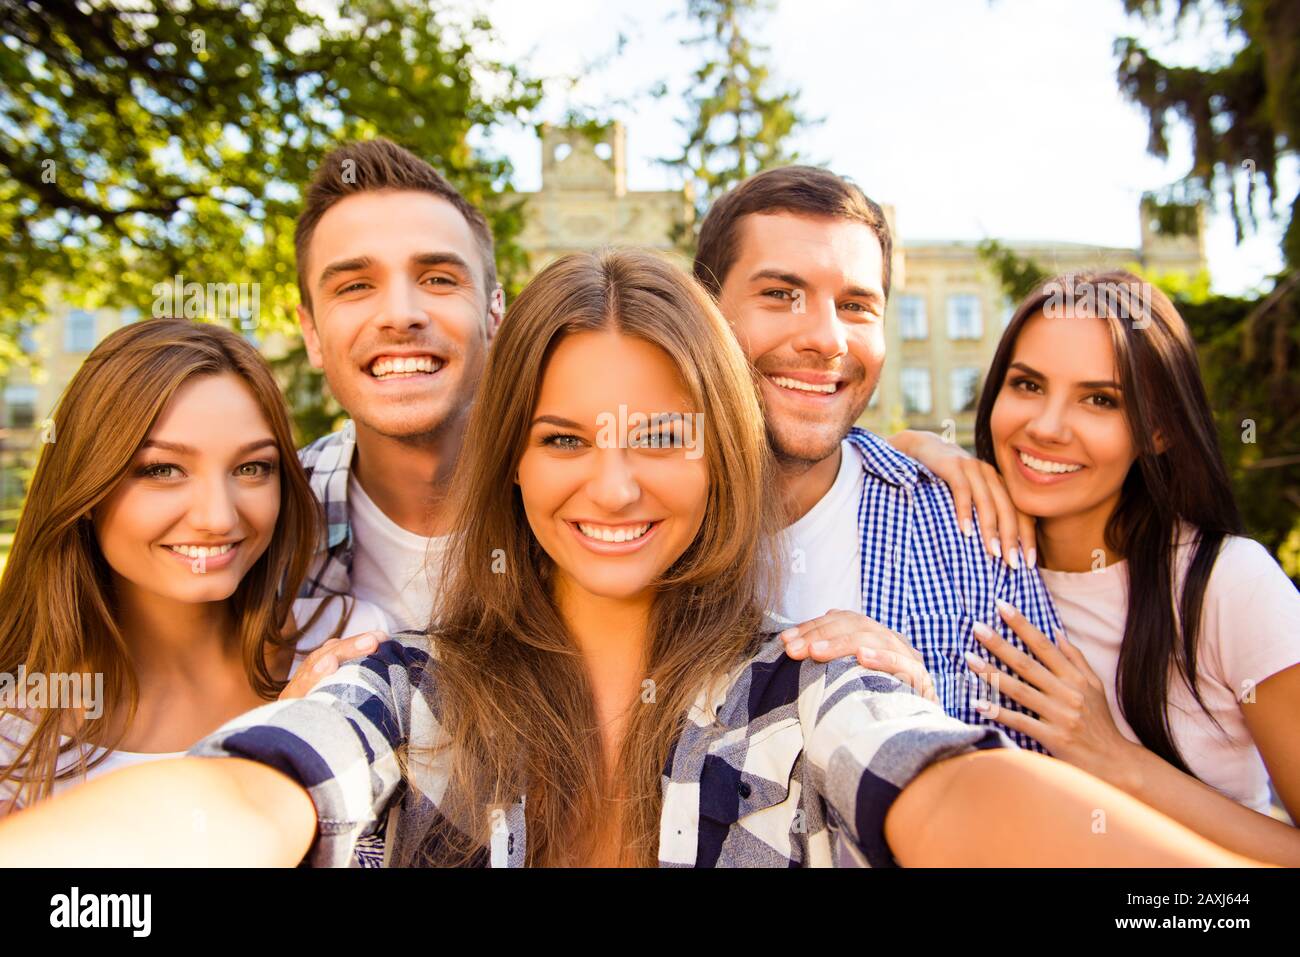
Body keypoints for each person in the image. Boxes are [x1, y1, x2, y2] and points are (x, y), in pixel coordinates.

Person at [0, 251, 1254, 868]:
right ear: (511, 465)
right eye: (559, 438)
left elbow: (965, 799)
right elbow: (234, 798)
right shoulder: (394, 696)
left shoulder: (813, 696)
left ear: (721, 455)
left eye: (658, 435)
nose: (609, 484)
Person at [832, 272, 1300, 866]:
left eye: (1100, 399)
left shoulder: (1227, 585)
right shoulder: (964, 553)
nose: (1048, 427)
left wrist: (1115, 760)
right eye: (1027, 385)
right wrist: (923, 444)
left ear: (1157, 430)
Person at [692, 166, 1062, 743]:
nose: (828, 339)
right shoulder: (631, 519)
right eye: (780, 295)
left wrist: (916, 723)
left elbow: (1045, 782)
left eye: (857, 305)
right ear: (705, 311)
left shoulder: (968, 531)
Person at [0, 320, 388, 815]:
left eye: (251, 468)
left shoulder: (351, 647)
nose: (218, 517)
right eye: (162, 470)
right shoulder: (14, 731)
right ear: (86, 488)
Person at [290, 137, 503, 632]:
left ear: (494, 314)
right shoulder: (263, 527)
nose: (401, 315)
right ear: (312, 334)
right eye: (356, 286)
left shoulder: (583, 505)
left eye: (438, 279)